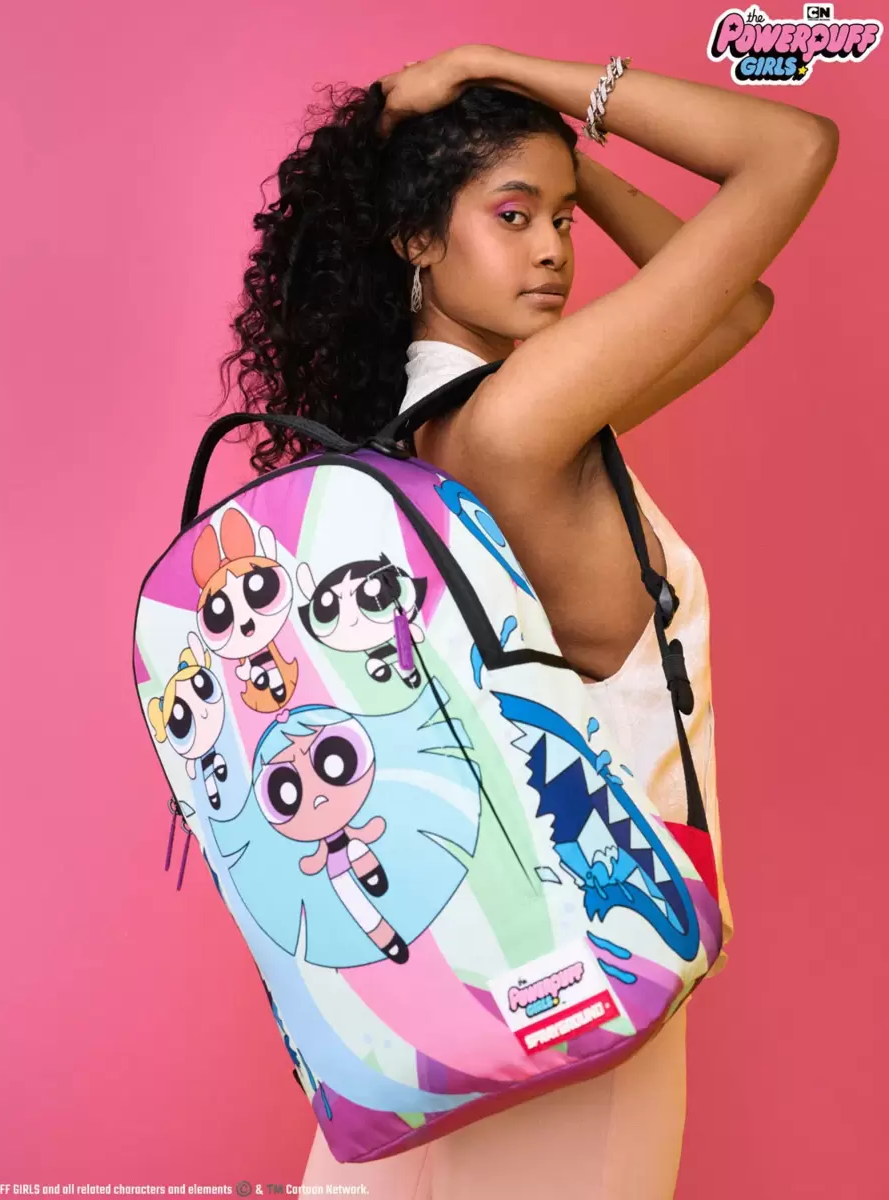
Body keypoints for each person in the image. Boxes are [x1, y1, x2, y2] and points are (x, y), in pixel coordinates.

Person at [217, 43, 838, 1200]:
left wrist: (547, 158)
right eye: (513, 216)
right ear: (417, 238)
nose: (554, 246)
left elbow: (737, 309)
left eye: (563, 218)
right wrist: (501, 71)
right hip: (593, 1000)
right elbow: (793, 149)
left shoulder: (406, 446)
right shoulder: (518, 422)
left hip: (446, 1012)